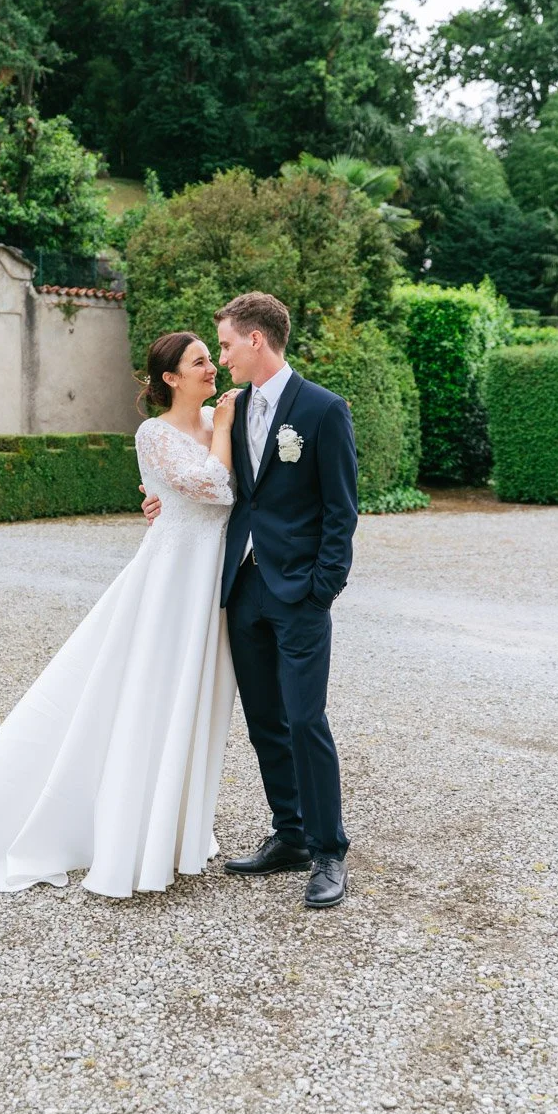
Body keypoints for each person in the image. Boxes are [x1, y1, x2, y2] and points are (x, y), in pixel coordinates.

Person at [0, 331, 240, 899]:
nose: (211, 368)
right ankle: (113, 826)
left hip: (210, 577)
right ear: (171, 378)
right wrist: (219, 434)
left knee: (193, 698)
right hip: (170, 582)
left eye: (210, 360)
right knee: (144, 692)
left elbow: (244, 489)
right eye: (200, 362)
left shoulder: (225, 420)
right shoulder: (157, 431)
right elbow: (216, 487)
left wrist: (214, 440)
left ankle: (171, 825)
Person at [141, 292, 358, 908]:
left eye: (227, 345)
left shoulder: (321, 410)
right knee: (264, 720)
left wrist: (323, 589)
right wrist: (155, 498)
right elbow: (210, 483)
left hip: (299, 594)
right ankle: (287, 833)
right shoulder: (228, 412)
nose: (222, 358)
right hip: (241, 585)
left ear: (255, 341)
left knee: (305, 720)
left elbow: (342, 511)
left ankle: (327, 850)